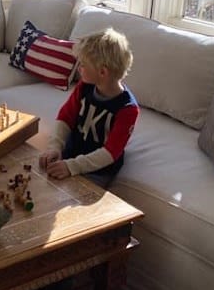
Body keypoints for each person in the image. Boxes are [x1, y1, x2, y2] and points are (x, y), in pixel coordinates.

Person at [39, 28, 139, 188]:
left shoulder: (128, 109)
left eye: (83, 65)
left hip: (98, 171)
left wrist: (72, 167)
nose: (79, 68)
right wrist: (55, 147)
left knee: (75, 197)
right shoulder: (84, 87)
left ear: (102, 72)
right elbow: (65, 117)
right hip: (70, 156)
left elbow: (110, 153)